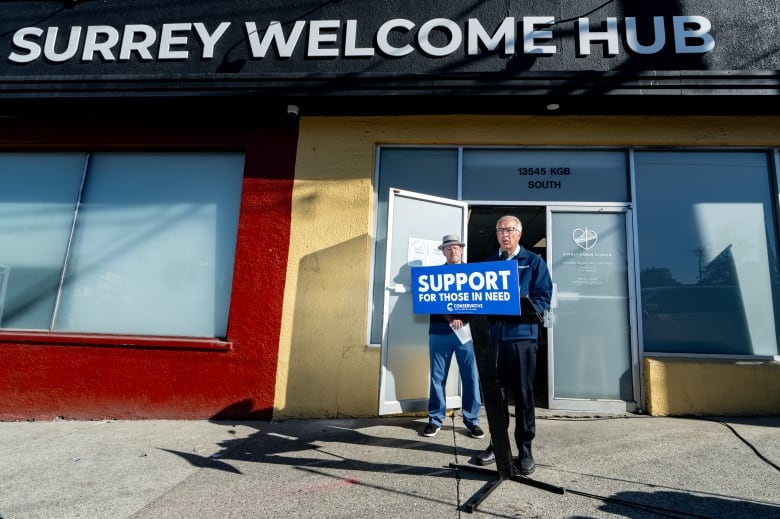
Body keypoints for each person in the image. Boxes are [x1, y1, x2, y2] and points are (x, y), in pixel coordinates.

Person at [476, 215, 552, 475]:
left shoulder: (533, 262)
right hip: (493, 341)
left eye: (509, 230)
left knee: (523, 395)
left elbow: (543, 298)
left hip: (521, 339)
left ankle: (525, 449)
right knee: (495, 397)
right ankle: (497, 445)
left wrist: (518, 306)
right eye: (500, 230)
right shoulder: (487, 264)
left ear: (519, 234)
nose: (504, 234)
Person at [422, 234, 484, 440]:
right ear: (442, 251)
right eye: (448, 248)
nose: (452, 251)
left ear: (461, 249)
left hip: (466, 333)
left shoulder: (473, 273)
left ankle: (472, 420)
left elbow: (479, 299)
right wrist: (450, 318)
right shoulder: (435, 275)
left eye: (456, 247)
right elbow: (431, 300)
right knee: (437, 377)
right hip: (440, 332)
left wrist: (462, 319)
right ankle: (435, 419)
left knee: (471, 376)